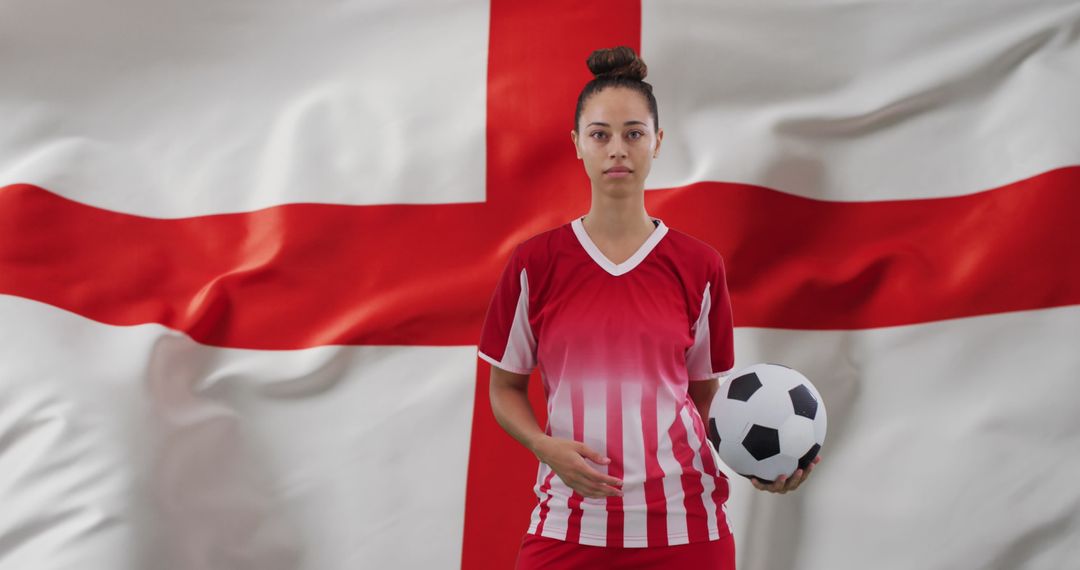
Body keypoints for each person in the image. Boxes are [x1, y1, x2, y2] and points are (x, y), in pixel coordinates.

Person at [478, 46, 819, 569]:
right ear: (577, 144)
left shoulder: (699, 265)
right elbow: (504, 389)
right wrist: (543, 446)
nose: (618, 148)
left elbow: (707, 402)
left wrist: (756, 461)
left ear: (657, 143)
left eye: (634, 133)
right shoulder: (534, 264)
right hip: (569, 523)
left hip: (687, 528)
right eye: (600, 134)